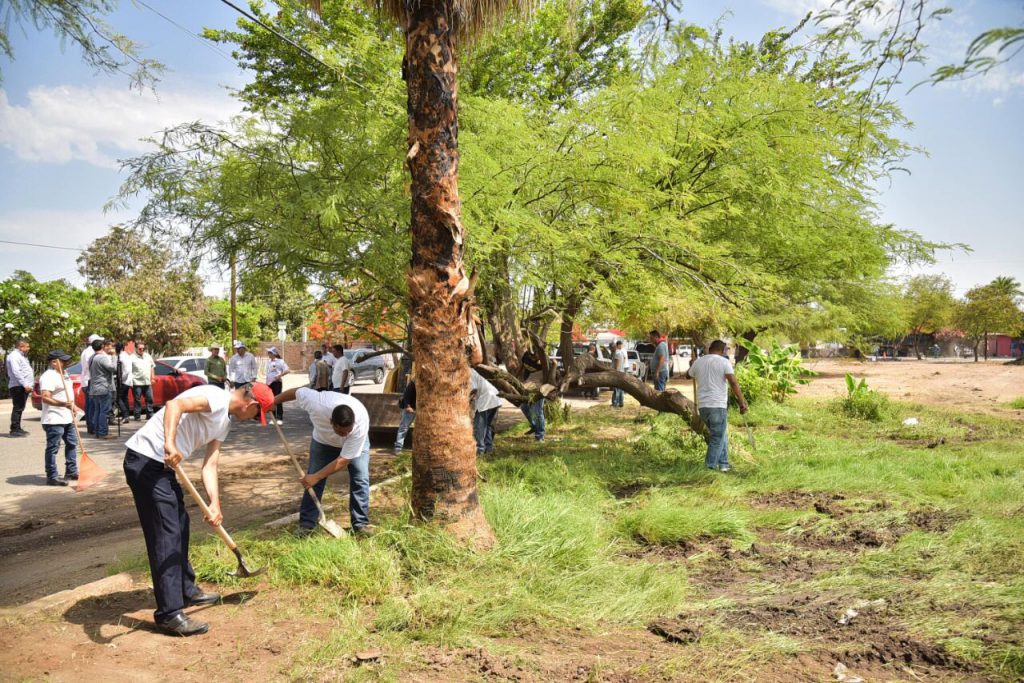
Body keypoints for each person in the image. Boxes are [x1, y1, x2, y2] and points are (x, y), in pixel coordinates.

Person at [123, 381, 274, 637]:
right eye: (255, 415)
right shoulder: (215, 397)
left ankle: (185, 589)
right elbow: (175, 404)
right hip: (147, 461)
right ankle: (169, 615)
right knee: (166, 536)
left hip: (164, 467)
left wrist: (214, 502)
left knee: (180, 526)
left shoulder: (223, 422)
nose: (251, 420)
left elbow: (210, 465)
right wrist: (170, 443)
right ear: (250, 403)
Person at [274, 386, 371, 537]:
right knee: (312, 481)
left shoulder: (360, 425)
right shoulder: (317, 403)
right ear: (332, 422)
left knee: (360, 479)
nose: (345, 434)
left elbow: (343, 460)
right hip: (323, 443)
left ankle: (360, 525)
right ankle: (306, 526)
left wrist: (317, 476)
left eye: (348, 431)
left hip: (356, 446)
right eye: (342, 432)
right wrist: (273, 401)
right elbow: (296, 392)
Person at [685, 339, 748, 472]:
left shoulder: (699, 362)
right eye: (725, 350)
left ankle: (724, 464)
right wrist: (742, 401)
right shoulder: (724, 362)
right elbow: (733, 383)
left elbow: (687, 375)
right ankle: (709, 468)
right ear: (722, 350)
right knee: (717, 437)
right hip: (717, 405)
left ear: (710, 349)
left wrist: (692, 365)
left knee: (720, 434)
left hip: (703, 407)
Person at [38, 350, 78, 486]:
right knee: (53, 448)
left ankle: (71, 471)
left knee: (72, 444)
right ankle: (52, 476)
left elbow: (68, 395)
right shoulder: (48, 376)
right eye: (63, 360)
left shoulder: (64, 374)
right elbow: (45, 398)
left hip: (68, 417)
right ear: (54, 362)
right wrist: (63, 404)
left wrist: (73, 406)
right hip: (54, 419)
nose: (66, 363)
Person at [89, 339, 117, 439]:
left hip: (94, 388)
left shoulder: (92, 357)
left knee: (97, 410)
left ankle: (97, 432)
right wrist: (114, 356)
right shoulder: (102, 358)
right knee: (104, 411)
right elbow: (113, 368)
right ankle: (103, 432)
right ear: (102, 346)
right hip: (103, 388)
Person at [470, 368, 503, 454]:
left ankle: (480, 449)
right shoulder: (474, 371)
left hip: (486, 399)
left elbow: (473, 389)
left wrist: (466, 401)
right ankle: (488, 449)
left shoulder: (468, 372)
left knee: (479, 427)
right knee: (488, 426)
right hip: (495, 398)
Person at [5, 338, 33, 437]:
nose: (28, 348)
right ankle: (14, 429)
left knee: (20, 407)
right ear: (21, 347)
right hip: (18, 385)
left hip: (22, 385)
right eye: (27, 346)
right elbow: (16, 372)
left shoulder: (21, 356)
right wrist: (25, 384)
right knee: (18, 407)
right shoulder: (14, 356)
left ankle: (18, 428)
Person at [519, 348, 545, 441]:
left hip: (539, 388)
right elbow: (522, 365)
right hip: (527, 385)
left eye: (535, 356)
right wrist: (517, 377)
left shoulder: (544, 360)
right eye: (531, 355)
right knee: (524, 407)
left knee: (537, 411)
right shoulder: (526, 355)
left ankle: (540, 435)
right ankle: (534, 426)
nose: (533, 357)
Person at [80, 334, 103, 434]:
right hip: (89, 380)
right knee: (91, 406)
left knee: (90, 406)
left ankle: (91, 427)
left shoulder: (87, 351)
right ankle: (92, 427)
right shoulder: (90, 352)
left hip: (87, 380)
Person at [131, 341, 156, 420]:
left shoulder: (148, 356)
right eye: (140, 348)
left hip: (147, 382)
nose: (142, 350)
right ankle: (137, 416)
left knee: (150, 399)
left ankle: (149, 415)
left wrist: (152, 377)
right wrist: (130, 381)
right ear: (136, 348)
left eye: (143, 348)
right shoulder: (132, 357)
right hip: (137, 382)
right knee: (137, 400)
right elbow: (129, 370)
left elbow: (152, 367)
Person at [265, 347, 290, 421]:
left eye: (270, 353)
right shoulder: (268, 362)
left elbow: (287, 370)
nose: (268, 354)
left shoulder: (280, 361)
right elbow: (268, 373)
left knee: (278, 399)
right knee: (271, 399)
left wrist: (279, 376)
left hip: (277, 383)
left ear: (274, 354)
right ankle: (273, 416)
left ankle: (279, 415)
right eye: (268, 352)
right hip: (269, 383)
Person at [394, 377, 416, 452]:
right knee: (404, 427)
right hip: (411, 408)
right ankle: (398, 447)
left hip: (421, 409)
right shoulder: (413, 382)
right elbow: (406, 396)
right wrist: (408, 407)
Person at [115, 342, 134, 423]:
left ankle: (125, 415)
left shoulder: (122, 357)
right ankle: (126, 416)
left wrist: (120, 379)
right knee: (124, 398)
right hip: (126, 380)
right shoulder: (125, 355)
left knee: (117, 398)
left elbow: (126, 370)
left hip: (124, 380)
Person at [611, 340, 627, 408]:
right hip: (622, 371)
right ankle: (621, 402)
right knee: (621, 388)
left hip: (618, 372)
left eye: (612, 347)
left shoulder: (617, 353)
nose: (611, 349)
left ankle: (615, 403)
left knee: (617, 389)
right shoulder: (622, 353)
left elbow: (617, 364)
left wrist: (615, 372)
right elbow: (624, 359)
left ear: (616, 346)